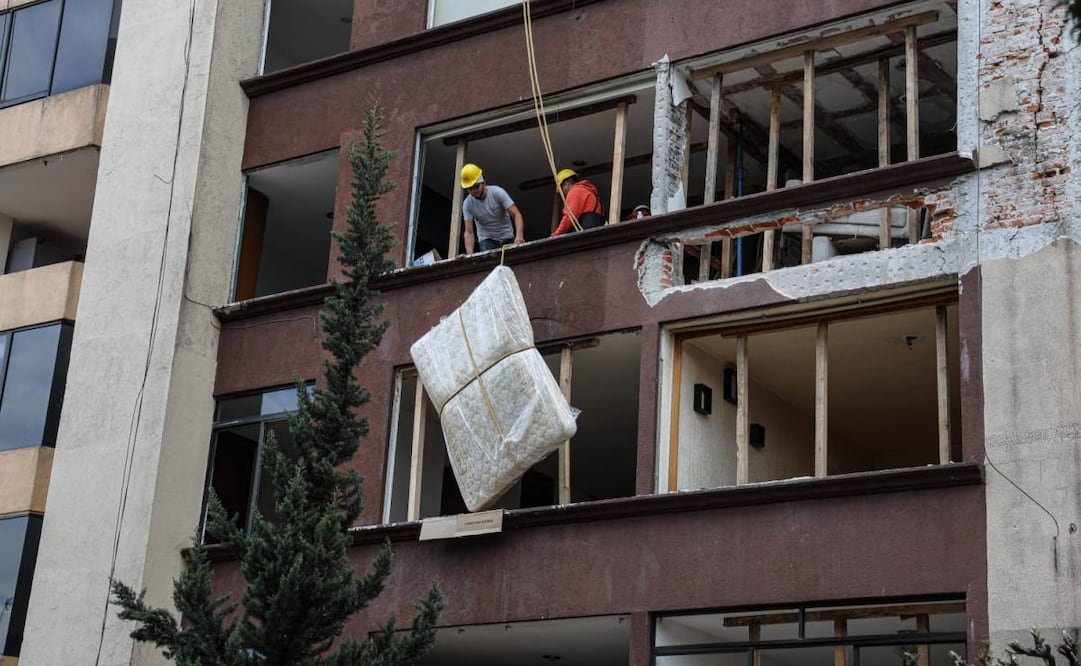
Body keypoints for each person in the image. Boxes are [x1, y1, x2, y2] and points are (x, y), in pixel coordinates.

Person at [460, 163, 525, 254]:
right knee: (490, 265)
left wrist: (519, 235)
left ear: (483, 183)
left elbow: (516, 214)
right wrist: (469, 255)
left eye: (476, 186)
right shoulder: (467, 204)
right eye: (470, 188)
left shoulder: (498, 193)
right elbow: (469, 232)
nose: (474, 191)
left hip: (506, 236)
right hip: (486, 239)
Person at [550, 168, 606, 237]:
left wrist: (555, 235)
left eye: (562, 190)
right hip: (593, 232)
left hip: (586, 234)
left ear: (566, 184)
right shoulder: (587, 191)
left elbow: (569, 218)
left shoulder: (575, 192)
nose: (564, 194)